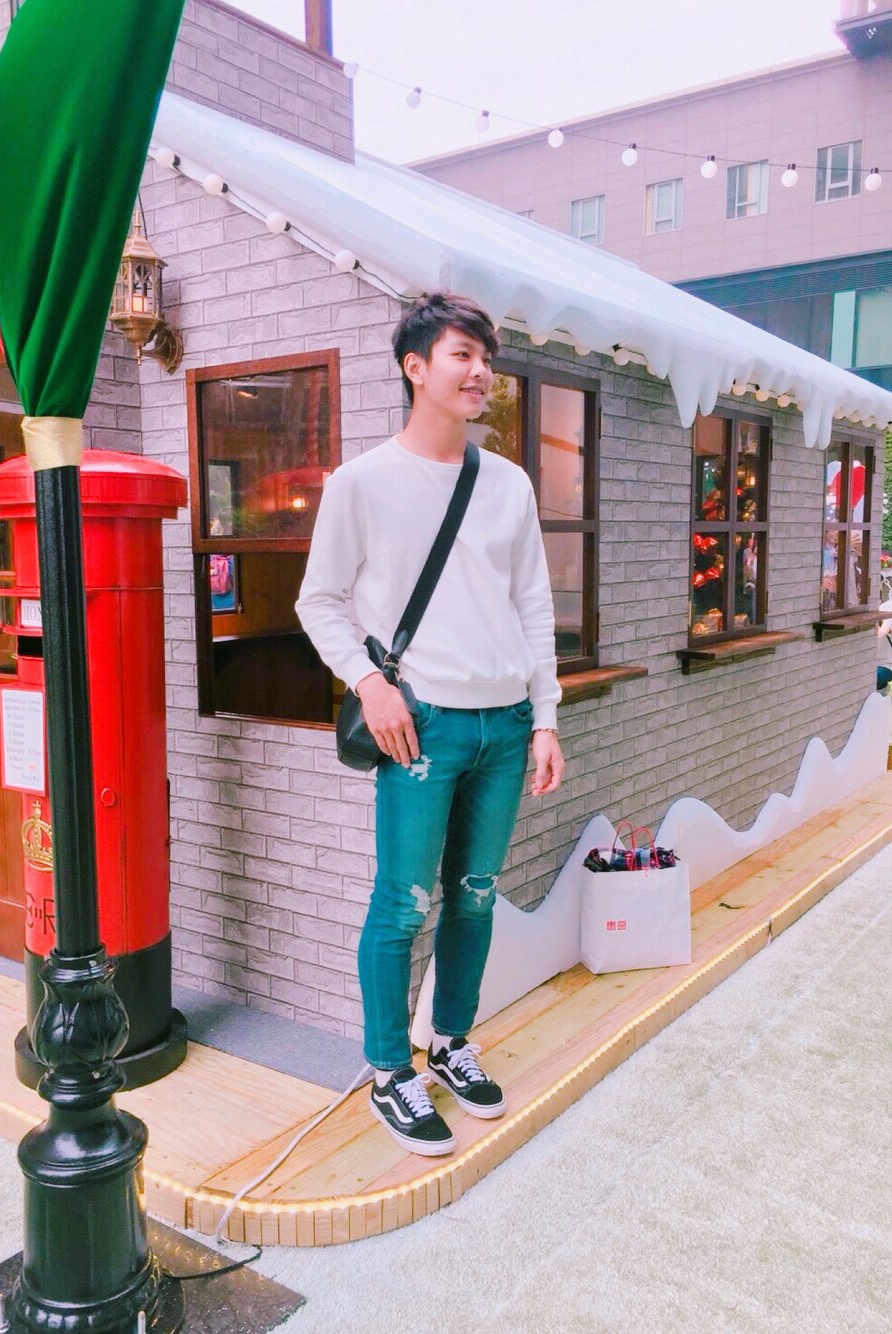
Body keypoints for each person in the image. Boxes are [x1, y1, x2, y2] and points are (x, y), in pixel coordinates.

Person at [296, 293, 564, 1156]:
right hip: (420, 726)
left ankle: (448, 1044)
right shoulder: (362, 482)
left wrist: (546, 718)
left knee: (475, 897)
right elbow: (318, 601)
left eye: (487, 357)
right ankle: (389, 1071)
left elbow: (534, 604)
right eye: (462, 354)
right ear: (416, 367)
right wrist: (370, 684)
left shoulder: (509, 483)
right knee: (403, 904)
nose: (481, 371)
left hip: (505, 725)